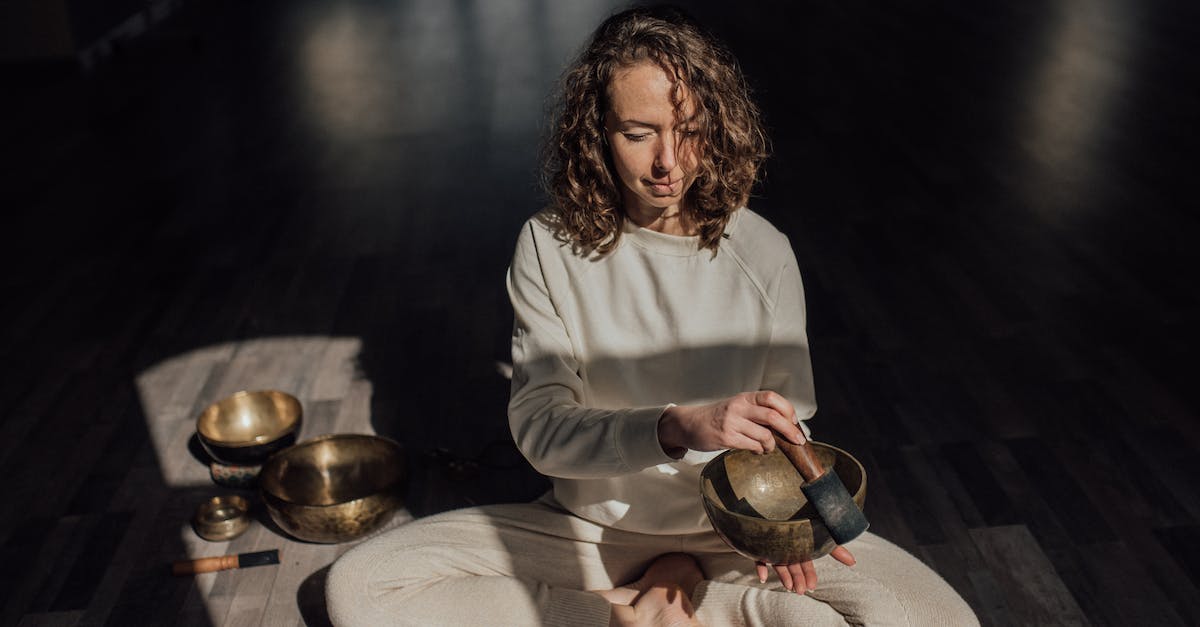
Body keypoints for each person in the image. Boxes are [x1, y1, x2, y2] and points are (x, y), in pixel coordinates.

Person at [327, 6, 979, 626]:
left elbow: (791, 423)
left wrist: (781, 524)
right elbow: (540, 429)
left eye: (689, 130)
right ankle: (660, 605)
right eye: (638, 134)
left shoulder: (765, 252)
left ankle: (668, 606)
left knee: (937, 618)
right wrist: (675, 425)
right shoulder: (548, 245)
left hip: (730, 532)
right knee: (366, 584)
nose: (668, 162)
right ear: (597, 133)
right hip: (593, 532)